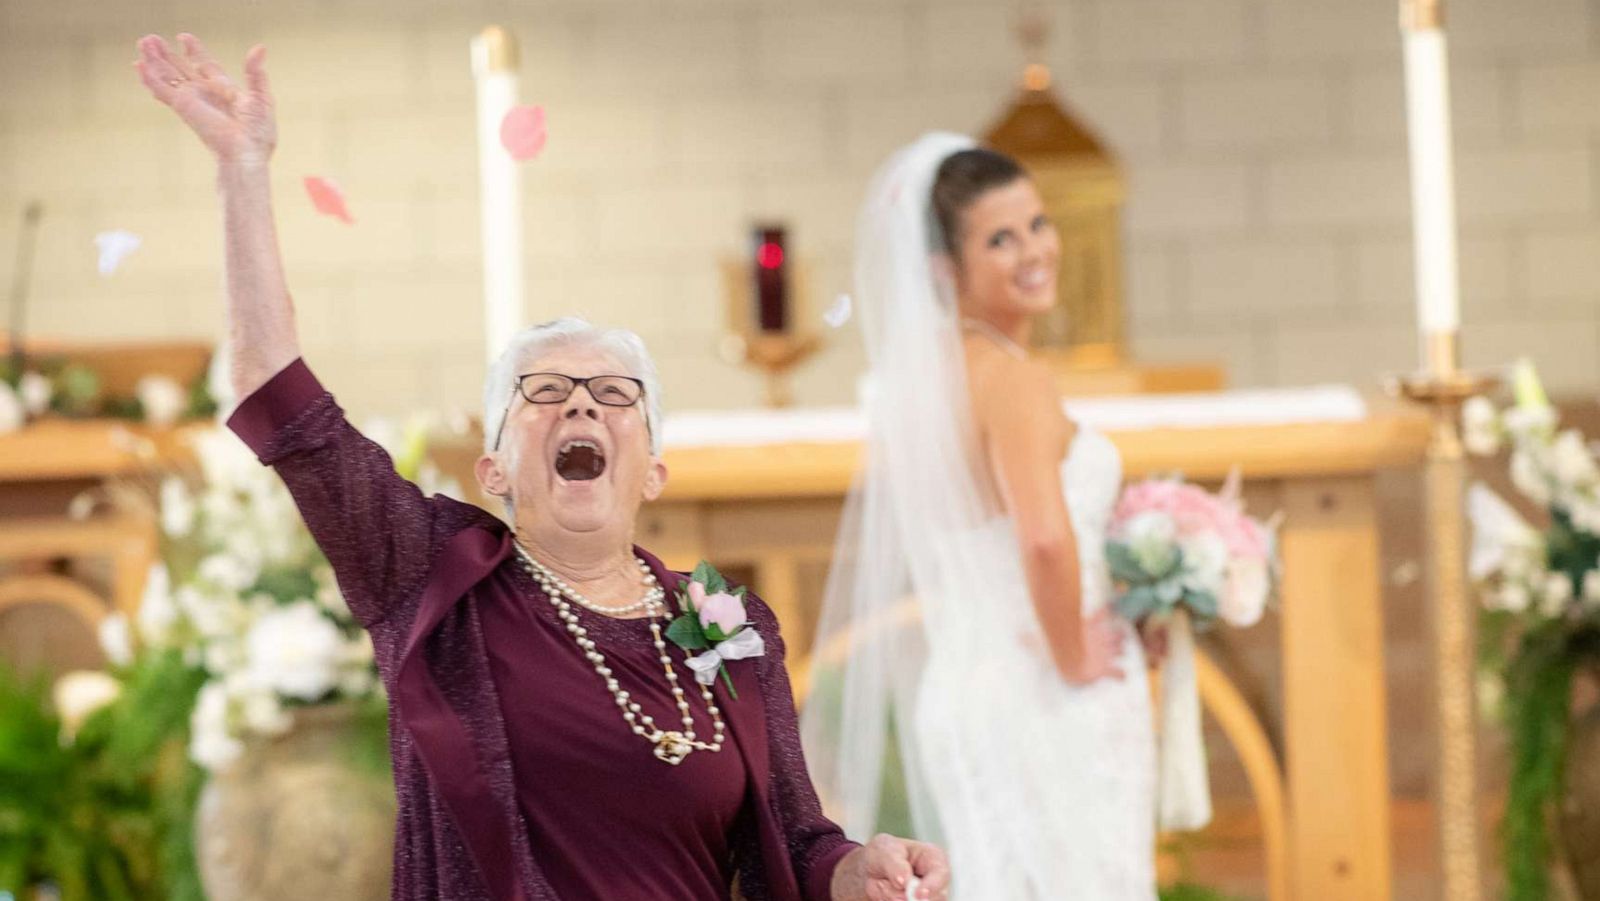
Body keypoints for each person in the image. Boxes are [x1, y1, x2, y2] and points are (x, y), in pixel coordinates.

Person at [134, 32, 949, 901]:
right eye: (546, 388)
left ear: (654, 472)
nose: (584, 404)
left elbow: (794, 837)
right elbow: (283, 401)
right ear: (493, 471)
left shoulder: (734, 624)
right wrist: (242, 170)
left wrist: (863, 868)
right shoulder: (427, 575)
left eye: (615, 392)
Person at [802, 133, 1158, 899]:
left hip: (966, 690)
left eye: (1038, 223)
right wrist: (1077, 660)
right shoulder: (1013, 378)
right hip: (1047, 686)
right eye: (1001, 237)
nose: (1034, 249)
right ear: (944, 268)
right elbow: (1042, 538)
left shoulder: (922, 383)